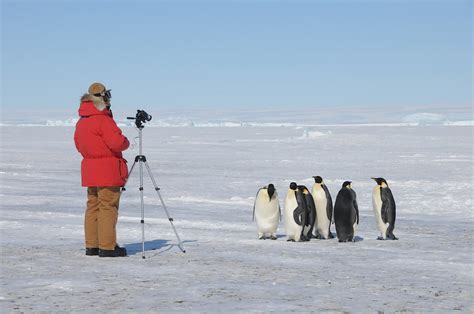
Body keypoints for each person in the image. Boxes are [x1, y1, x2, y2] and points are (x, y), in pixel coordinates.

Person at [74, 82, 129, 257]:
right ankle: (107, 246)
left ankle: (92, 245)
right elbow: (117, 142)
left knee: (93, 206)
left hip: (90, 168)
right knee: (108, 206)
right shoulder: (103, 120)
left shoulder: (82, 121)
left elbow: (79, 144)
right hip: (108, 169)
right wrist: (126, 141)